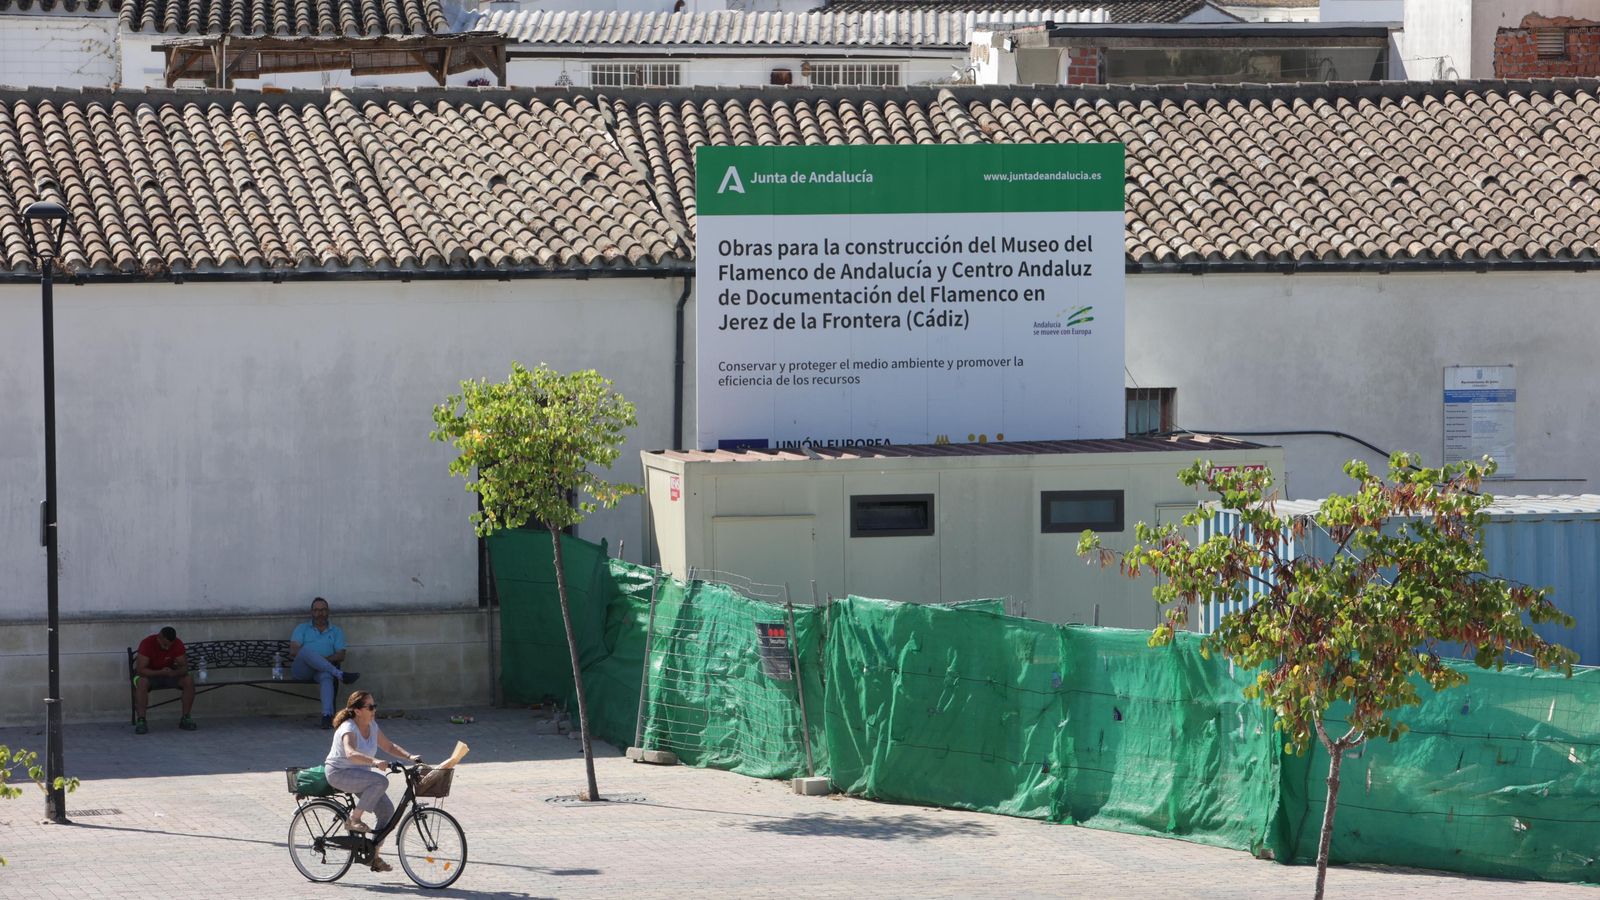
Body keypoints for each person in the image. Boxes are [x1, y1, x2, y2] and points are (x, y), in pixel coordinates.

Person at [324, 690, 421, 874]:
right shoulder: (349, 728)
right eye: (370, 707)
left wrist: (410, 757)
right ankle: (354, 819)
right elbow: (350, 753)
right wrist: (375, 761)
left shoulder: (372, 725)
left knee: (387, 812)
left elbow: (389, 746)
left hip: (359, 775)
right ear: (357, 710)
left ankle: (373, 857)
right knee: (380, 781)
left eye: (374, 706)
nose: (374, 710)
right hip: (339, 773)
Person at [290, 596, 360, 728]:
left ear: (328, 611)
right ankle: (340, 674)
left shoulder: (336, 631)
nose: (319, 613)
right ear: (312, 612)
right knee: (304, 651)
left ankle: (327, 716)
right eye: (316, 610)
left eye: (323, 610)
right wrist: (314, 658)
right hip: (302, 670)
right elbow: (294, 650)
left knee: (327, 676)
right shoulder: (302, 628)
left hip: (322, 670)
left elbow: (341, 655)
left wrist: (320, 661)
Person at [132, 626, 197, 734]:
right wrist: (160, 672)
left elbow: (184, 667)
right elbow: (141, 670)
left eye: (170, 646)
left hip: (169, 674)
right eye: (165, 645)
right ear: (159, 637)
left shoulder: (177, 644)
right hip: (149, 676)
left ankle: (186, 718)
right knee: (141, 682)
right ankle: (141, 720)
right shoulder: (147, 643)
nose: (167, 648)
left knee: (189, 680)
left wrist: (174, 673)